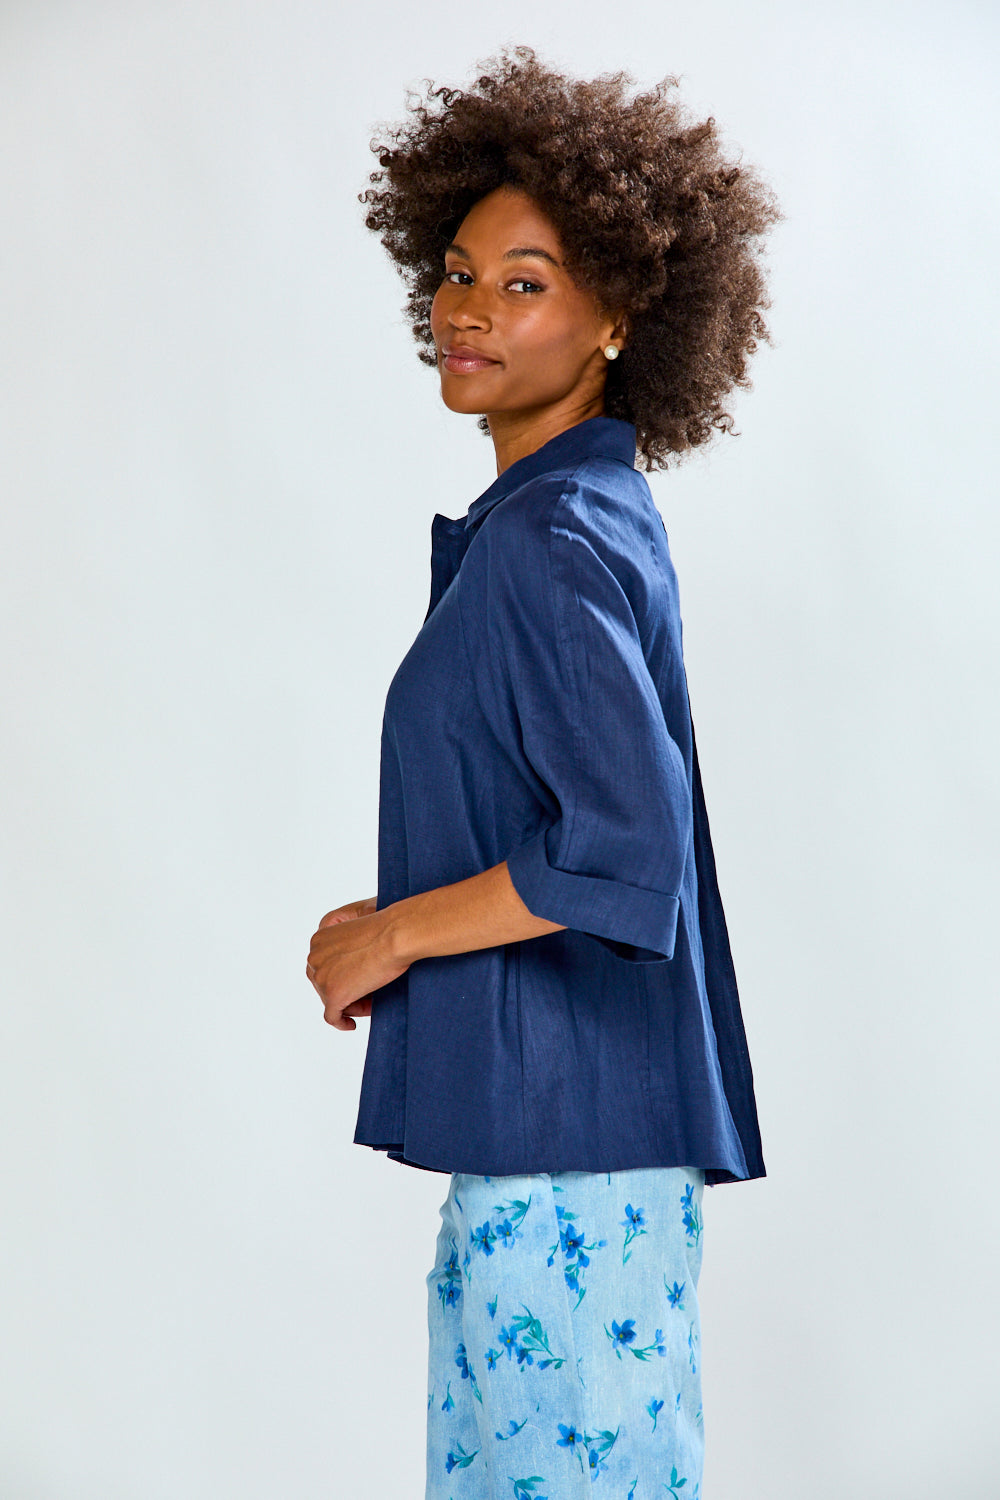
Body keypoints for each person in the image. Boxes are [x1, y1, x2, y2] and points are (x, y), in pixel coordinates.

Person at [306, 45, 780, 1499]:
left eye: (525, 281)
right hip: (548, 1156)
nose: (468, 309)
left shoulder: (549, 539)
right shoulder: (569, 515)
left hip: (571, 1164)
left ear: (621, 313)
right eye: (456, 272)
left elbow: (622, 854)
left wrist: (392, 932)